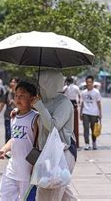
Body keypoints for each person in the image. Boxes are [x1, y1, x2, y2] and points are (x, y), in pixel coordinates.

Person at [32, 69, 77, 200]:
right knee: (61, 194)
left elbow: (53, 126)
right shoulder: (43, 101)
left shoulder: (64, 103)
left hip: (62, 153)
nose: (40, 86)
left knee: (49, 195)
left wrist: (40, 107)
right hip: (47, 154)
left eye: (43, 83)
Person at [0, 81, 38, 200]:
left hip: (28, 172)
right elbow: (14, 138)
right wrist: (3, 149)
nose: (18, 99)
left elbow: (40, 145)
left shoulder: (36, 118)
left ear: (32, 98)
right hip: (12, 169)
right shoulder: (14, 116)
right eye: (16, 95)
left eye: (23, 96)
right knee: (4, 195)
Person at [80, 75, 102, 150]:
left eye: (90, 82)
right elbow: (82, 103)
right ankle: (87, 143)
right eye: (87, 82)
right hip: (85, 112)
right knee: (85, 129)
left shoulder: (96, 92)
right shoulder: (83, 93)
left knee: (93, 129)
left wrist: (100, 113)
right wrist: (81, 113)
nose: (88, 83)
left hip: (94, 113)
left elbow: (99, 103)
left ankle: (94, 142)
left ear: (92, 82)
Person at [0, 77, 19, 143]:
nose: (12, 83)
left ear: (18, 83)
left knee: (16, 134)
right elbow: (2, 104)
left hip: (18, 117)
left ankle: (14, 148)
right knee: (8, 133)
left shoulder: (20, 94)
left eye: (14, 82)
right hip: (8, 116)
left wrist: (14, 102)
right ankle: (7, 150)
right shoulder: (7, 93)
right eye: (11, 82)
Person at [63, 76, 81, 147]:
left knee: (67, 122)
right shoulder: (76, 87)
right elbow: (79, 95)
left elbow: (61, 93)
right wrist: (79, 102)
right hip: (74, 104)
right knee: (75, 122)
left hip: (67, 104)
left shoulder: (65, 87)